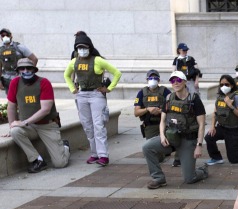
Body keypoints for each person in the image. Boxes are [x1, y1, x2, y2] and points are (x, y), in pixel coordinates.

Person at [142, 71, 208, 189]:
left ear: (185, 82)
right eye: (173, 80)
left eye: (178, 80)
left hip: (188, 140)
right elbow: (162, 120)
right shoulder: (168, 98)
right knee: (147, 147)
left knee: (189, 179)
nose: (175, 83)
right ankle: (158, 178)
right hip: (171, 138)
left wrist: (199, 145)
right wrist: (162, 136)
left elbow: (202, 124)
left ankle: (202, 170)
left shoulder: (194, 100)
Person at [63, 33, 122, 166]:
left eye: (84, 47)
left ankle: (103, 155)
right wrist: (73, 88)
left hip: (96, 95)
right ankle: (94, 154)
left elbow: (117, 73)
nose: (82, 50)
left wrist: (109, 88)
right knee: (87, 126)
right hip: (82, 95)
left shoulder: (97, 60)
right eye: (79, 48)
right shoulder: (74, 61)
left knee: (98, 125)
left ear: (89, 47)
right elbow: (66, 75)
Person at [6, 58, 69, 173]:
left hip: (47, 126)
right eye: (22, 68)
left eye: (29, 68)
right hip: (30, 126)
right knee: (15, 131)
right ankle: (37, 160)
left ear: (34, 70)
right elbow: (11, 106)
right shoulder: (15, 83)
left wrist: (24, 122)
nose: (26, 71)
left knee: (60, 163)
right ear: (18, 71)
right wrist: (11, 125)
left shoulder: (44, 82)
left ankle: (64, 147)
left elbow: (45, 110)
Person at [204, 74, 238, 166]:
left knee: (234, 159)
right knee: (209, 137)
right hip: (222, 127)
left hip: (234, 131)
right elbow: (215, 113)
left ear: (232, 85)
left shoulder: (236, 98)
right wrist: (212, 127)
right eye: (221, 84)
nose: (224, 87)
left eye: (226, 84)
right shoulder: (220, 97)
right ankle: (216, 158)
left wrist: (230, 105)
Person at [134, 69, 172, 140]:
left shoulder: (165, 91)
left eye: (155, 78)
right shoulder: (142, 93)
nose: (153, 80)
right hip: (150, 126)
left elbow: (173, 108)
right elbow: (136, 113)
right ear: (147, 80)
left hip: (164, 123)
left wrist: (161, 111)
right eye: (151, 78)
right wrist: (147, 109)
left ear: (159, 80)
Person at [0, 28, 38, 96]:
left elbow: (34, 59)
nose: (5, 37)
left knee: (22, 97)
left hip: (20, 77)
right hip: (6, 78)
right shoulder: (0, 50)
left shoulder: (19, 47)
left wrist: (30, 73)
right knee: (11, 98)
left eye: (7, 35)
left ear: (11, 36)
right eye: (3, 35)